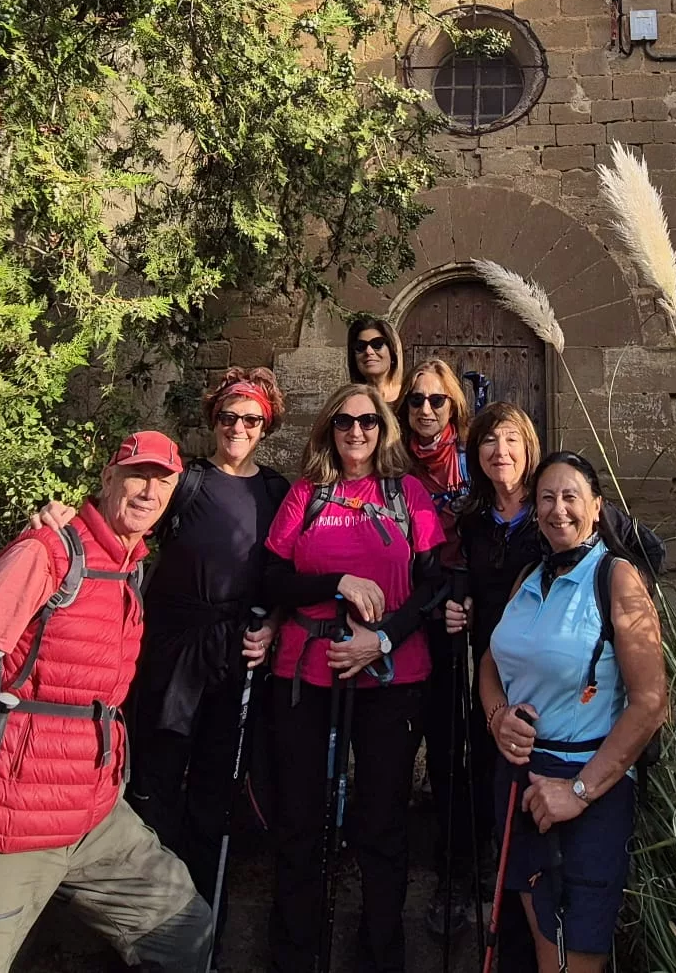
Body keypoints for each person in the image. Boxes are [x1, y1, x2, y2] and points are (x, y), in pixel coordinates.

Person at [0, 432, 211, 973]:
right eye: (138, 474)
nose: (150, 490)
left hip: (91, 814)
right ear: (107, 478)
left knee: (182, 925)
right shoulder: (45, 553)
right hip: (9, 823)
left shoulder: (129, 566)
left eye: (164, 480)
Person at [28, 368, 287, 911]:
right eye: (228, 417)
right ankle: (144, 906)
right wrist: (62, 517)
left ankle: (194, 913)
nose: (238, 428)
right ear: (213, 419)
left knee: (216, 783)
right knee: (158, 775)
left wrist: (275, 624)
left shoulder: (275, 491)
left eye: (250, 419)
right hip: (172, 649)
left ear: (266, 425)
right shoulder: (186, 482)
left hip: (233, 652)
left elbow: (282, 573)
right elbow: (120, 517)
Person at [262, 382, 446, 973]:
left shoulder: (407, 494)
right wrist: (334, 582)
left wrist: (382, 637)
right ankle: (296, 950)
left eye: (368, 422)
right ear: (329, 430)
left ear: (383, 429)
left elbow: (432, 584)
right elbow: (272, 579)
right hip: (305, 676)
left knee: (382, 821)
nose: (357, 432)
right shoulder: (306, 496)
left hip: (390, 679)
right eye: (344, 423)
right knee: (299, 818)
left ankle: (380, 951)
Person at [478, 451, 669, 973]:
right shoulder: (528, 577)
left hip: (586, 788)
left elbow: (651, 701)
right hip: (519, 784)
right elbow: (491, 664)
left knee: (574, 956)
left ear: (596, 507)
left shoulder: (617, 577)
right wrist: (497, 718)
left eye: (570, 497)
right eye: (545, 497)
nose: (557, 509)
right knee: (543, 946)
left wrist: (579, 791)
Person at [444, 402, 543, 969]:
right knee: (489, 776)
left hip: (544, 678)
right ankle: (495, 892)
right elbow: (461, 584)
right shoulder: (473, 522)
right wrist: (458, 606)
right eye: (488, 442)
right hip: (489, 673)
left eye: (510, 440)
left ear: (528, 448)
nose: (499, 452)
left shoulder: (549, 513)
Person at [400, 358, 477, 936]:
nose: (426, 410)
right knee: (394, 741)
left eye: (437, 401)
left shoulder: (475, 464)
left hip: (455, 616)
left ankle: (454, 866)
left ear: (454, 406)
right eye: (417, 401)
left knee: (452, 744)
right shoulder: (392, 463)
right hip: (404, 611)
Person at [346, 313, 405, 407]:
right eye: (360, 346)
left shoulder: (410, 397)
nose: (369, 351)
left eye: (377, 344)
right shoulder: (348, 402)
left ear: (392, 352)